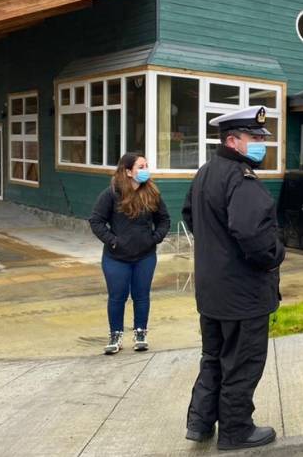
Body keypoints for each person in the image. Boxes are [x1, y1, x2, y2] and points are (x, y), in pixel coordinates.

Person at [182, 106, 285, 451]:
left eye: (261, 138)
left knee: (213, 356)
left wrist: (217, 248)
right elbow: (253, 234)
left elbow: (189, 215)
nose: (261, 144)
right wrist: (275, 256)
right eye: (254, 138)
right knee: (242, 363)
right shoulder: (241, 178)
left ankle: (199, 423)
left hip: (212, 290)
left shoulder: (206, 172)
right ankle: (236, 430)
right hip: (242, 294)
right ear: (232, 141)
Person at [89, 152, 170, 355]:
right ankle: (115, 335)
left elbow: (164, 220)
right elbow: (96, 221)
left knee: (141, 296)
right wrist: (113, 241)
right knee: (117, 296)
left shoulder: (152, 193)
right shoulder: (111, 194)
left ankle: (140, 333)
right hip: (116, 258)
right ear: (128, 171)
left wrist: (154, 238)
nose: (145, 170)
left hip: (145, 256)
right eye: (141, 167)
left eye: (146, 166)